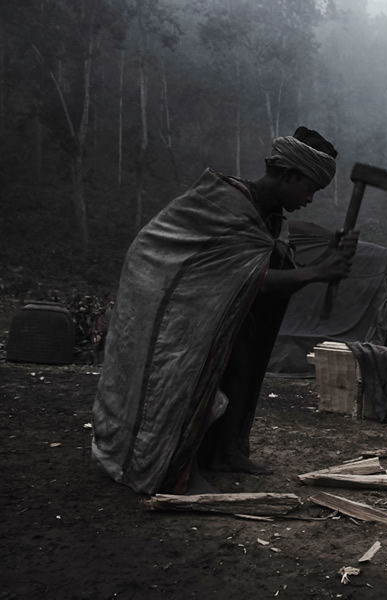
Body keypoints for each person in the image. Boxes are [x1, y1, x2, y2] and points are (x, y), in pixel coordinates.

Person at [92, 126, 357, 495]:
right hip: (176, 303)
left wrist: (330, 255)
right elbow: (245, 276)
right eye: (309, 188)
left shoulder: (272, 219)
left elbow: (271, 266)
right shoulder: (223, 202)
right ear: (287, 174)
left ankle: (226, 452)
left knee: (242, 359)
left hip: (222, 311)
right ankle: (185, 466)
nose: (310, 198)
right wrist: (317, 272)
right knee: (193, 372)